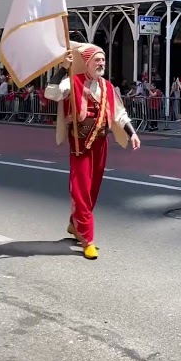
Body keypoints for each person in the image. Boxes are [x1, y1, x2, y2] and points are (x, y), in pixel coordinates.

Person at [44, 42, 142, 260]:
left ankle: (74, 224)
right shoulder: (72, 81)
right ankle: (88, 239)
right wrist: (62, 68)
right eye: (97, 60)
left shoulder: (108, 86)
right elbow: (51, 94)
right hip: (80, 145)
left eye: (103, 60)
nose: (101, 63)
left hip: (100, 144)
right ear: (87, 63)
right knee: (80, 190)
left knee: (92, 191)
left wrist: (132, 133)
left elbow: (119, 114)